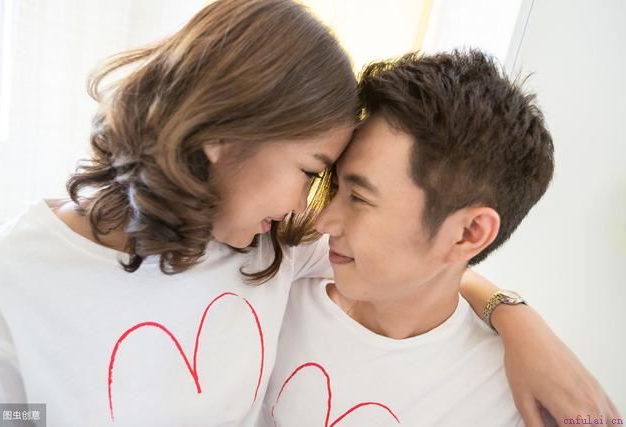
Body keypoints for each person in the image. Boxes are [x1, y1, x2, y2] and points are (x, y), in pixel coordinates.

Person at [0, 1, 615, 426]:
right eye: (314, 174)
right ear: (222, 134)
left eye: (345, 189)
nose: (316, 213)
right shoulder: (9, 278)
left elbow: (430, 269)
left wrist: (519, 323)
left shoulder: (268, 246)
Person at [259, 50, 620, 427]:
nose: (325, 219)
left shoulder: (513, 403)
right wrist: (511, 312)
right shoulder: (276, 275)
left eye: (360, 198)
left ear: (468, 234)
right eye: (335, 185)